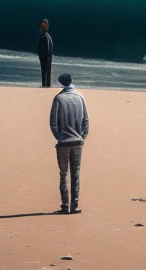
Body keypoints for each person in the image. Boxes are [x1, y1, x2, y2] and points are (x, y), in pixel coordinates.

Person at [49, 73, 89, 213]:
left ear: (61, 83)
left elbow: (53, 122)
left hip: (64, 141)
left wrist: (59, 137)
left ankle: (65, 206)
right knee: (75, 174)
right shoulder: (80, 97)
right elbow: (86, 121)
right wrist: (82, 136)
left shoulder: (59, 98)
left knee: (63, 174)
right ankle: (75, 205)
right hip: (78, 141)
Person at [37, 19, 53, 87]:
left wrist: (46, 59)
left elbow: (48, 49)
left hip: (46, 59)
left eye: (43, 25)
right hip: (44, 59)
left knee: (45, 73)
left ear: (47, 27)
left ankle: (45, 87)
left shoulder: (46, 37)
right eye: (41, 25)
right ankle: (46, 86)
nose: (42, 27)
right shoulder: (45, 35)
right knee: (45, 73)